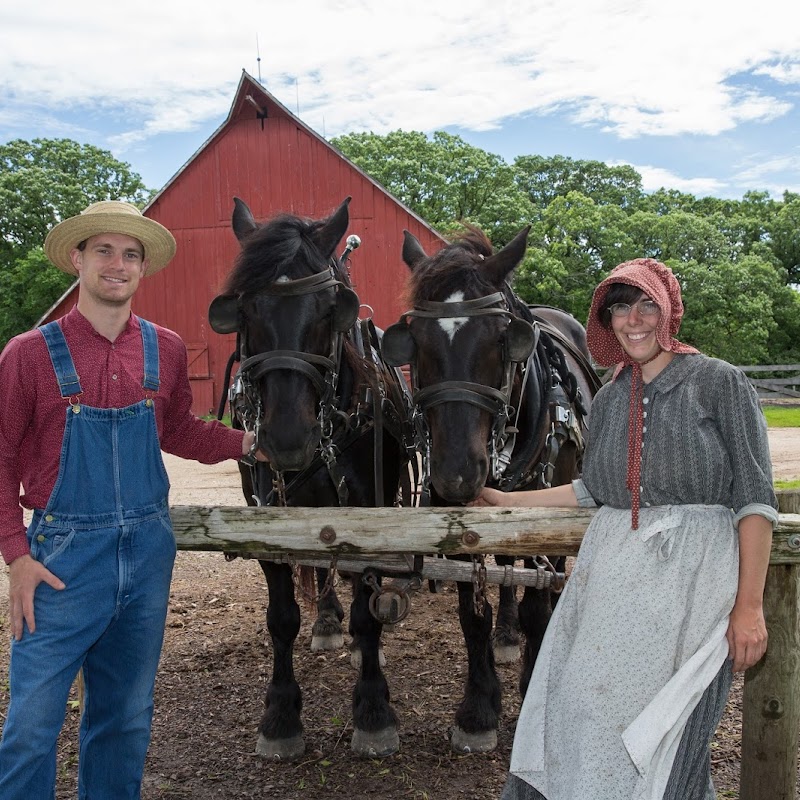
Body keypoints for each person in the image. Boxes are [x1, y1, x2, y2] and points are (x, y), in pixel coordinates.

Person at [471, 258, 777, 800]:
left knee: (673, 726)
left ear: (669, 310)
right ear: (606, 321)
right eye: (618, 308)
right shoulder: (611, 397)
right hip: (611, 582)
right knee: (579, 708)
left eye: (645, 305)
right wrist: (505, 499)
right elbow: (594, 490)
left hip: (693, 585)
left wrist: (748, 607)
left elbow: (754, 499)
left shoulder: (718, 382)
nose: (632, 320)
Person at [0, 201, 262, 799]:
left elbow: (179, 430)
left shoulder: (164, 349)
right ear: (78, 258)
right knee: (32, 727)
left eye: (130, 255)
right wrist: (16, 556)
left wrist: (248, 445)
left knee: (123, 720)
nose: (117, 264)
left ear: (143, 268)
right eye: (104, 251)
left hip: (146, 555)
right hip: (60, 563)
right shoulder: (29, 353)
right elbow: (1, 456)